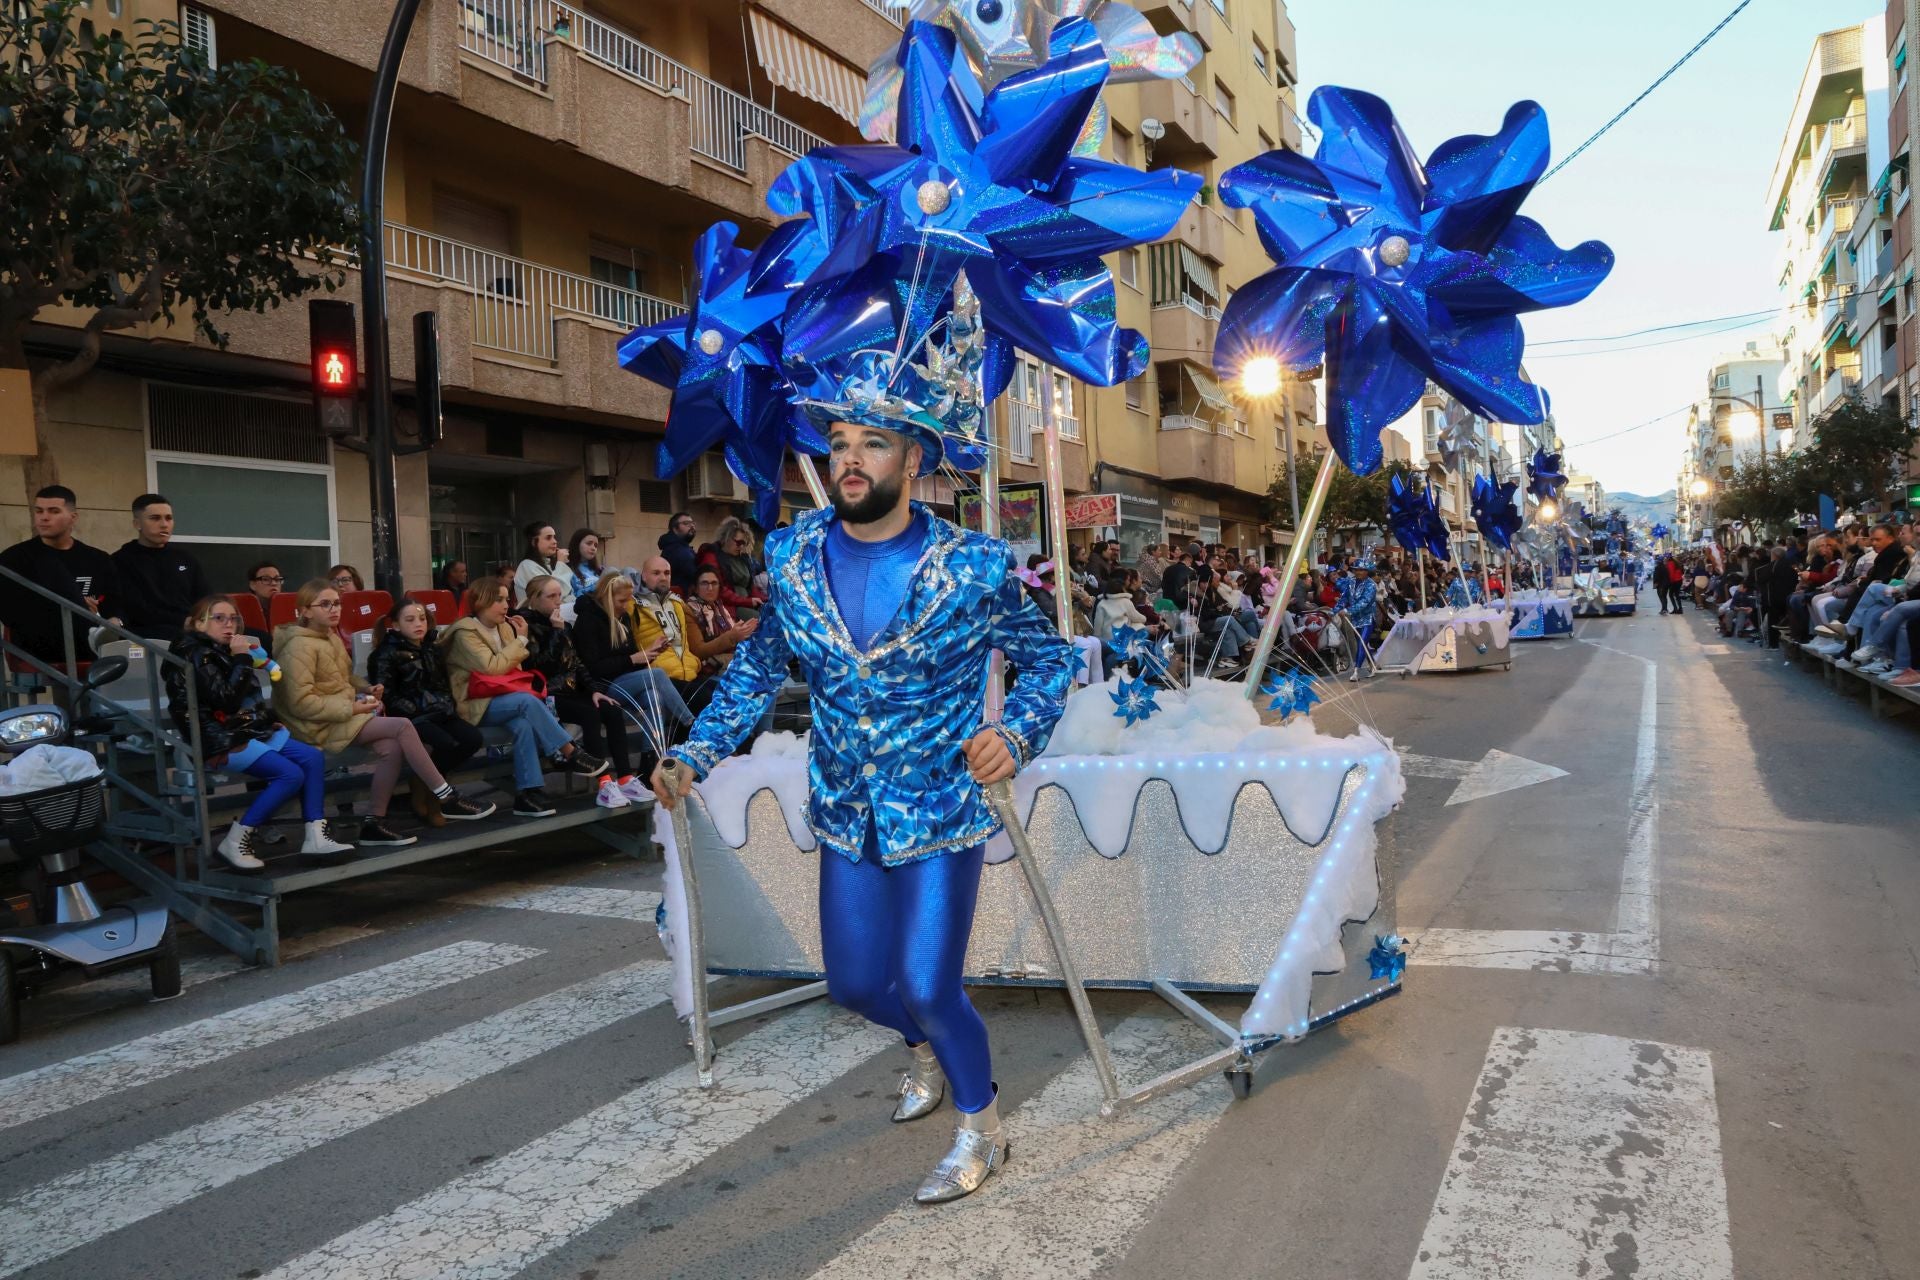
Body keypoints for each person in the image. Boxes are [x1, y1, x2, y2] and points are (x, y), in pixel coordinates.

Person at [652, 411, 1073, 1205]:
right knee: (850, 985)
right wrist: (697, 752)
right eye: (839, 445)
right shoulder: (794, 554)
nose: (850, 460)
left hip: (941, 808)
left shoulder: (974, 563)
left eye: (871, 444)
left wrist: (1014, 733)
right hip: (846, 807)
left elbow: (1049, 660)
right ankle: (923, 1050)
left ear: (912, 459)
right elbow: (756, 670)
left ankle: (982, 1124)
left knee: (925, 983)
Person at [274, 579, 495, 847]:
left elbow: (344, 679)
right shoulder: (298, 647)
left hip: (337, 715)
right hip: (313, 725)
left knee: (392, 747)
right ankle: (446, 795)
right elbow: (300, 704)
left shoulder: (328, 637)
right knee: (401, 726)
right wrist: (354, 706)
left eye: (337, 603)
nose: (334, 609)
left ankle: (373, 823)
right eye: (325, 604)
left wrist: (366, 687)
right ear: (305, 611)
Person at [164, 596, 356, 870]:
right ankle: (237, 838)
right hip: (218, 740)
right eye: (219, 618)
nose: (228, 624)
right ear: (198, 624)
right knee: (290, 775)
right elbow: (226, 700)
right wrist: (241, 657)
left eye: (232, 618)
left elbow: (247, 701)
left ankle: (315, 835)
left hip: (243, 732)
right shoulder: (196, 654)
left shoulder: (223, 649)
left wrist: (267, 721)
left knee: (312, 757)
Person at [440, 579, 607, 818]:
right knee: (527, 702)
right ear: (480, 602)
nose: (506, 605)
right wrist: (521, 640)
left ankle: (527, 793)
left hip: (504, 698)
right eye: (498, 600)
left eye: (507, 599)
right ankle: (570, 752)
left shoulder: (505, 628)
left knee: (523, 724)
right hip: (474, 703)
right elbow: (493, 667)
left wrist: (517, 640)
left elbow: (515, 671)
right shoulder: (465, 632)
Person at [518, 574, 650, 807]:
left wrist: (593, 691)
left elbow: (578, 663)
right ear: (534, 599)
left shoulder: (563, 625)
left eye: (559, 595)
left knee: (609, 707)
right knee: (590, 714)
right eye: (551, 596)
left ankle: (626, 778)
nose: (558, 602)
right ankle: (604, 783)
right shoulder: (526, 624)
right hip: (546, 694)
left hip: (571, 690)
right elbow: (539, 665)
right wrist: (557, 633)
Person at [366, 598, 483, 827]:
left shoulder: (432, 649)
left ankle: (422, 782)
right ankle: (434, 797)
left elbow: (443, 684)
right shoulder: (385, 654)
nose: (418, 624)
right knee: (446, 743)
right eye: (410, 620)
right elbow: (387, 695)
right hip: (409, 717)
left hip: (438, 711)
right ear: (396, 625)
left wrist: (447, 705)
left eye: (422, 619)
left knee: (472, 738)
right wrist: (418, 709)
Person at [0, 485, 124, 668]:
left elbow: (115, 601)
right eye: (39, 511)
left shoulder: (97, 559)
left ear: (73, 517)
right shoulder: (14, 559)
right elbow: (10, 612)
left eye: (54, 511)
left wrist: (114, 620)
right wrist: (74, 605)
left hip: (89, 642)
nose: (44, 517)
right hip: (39, 645)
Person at [572, 570, 697, 752]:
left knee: (655, 697)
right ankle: (690, 724)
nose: (626, 605)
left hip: (624, 682)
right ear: (607, 598)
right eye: (622, 601)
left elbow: (630, 660)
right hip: (602, 687)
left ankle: (651, 757)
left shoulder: (623, 617)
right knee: (659, 674)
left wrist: (650, 653)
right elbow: (593, 668)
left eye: (629, 599)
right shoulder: (588, 620)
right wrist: (633, 658)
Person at [631, 555, 751, 718]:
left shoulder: (677, 604)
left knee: (731, 695)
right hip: (664, 676)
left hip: (690, 673)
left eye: (667, 573)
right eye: (656, 573)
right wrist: (731, 637)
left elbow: (686, 646)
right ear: (643, 576)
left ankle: (756, 738)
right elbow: (699, 648)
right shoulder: (633, 605)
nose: (663, 578)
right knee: (712, 703)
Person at [110, 493, 209, 644]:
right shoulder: (122, 560)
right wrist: (183, 621)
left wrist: (205, 619)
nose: (164, 524)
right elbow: (137, 609)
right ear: (137, 524)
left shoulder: (185, 557)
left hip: (194, 626)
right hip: (150, 631)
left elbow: (205, 597)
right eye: (155, 518)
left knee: (252, 635)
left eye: (168, 518)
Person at [697, 517, 768, 617]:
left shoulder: (742, 558)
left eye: (744, 543)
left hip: (746, 604)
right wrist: (747, 601)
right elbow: (719, 591)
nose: (741, 547)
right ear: (726, 537)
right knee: (760, 621)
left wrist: (765, 600)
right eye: (738, 543)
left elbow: (750, 587)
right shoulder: (711, 557)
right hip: (727, 608)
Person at [684, 567, 746, 674]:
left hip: (730, 657)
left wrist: (744, 632)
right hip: (709, 666)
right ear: (695, 588)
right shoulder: (689, 610)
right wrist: (732, 636)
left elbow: (734, 633)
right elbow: (698, 651)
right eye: (704, 583)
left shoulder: (719, 607)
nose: (710, 588)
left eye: (714, 583)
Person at [513, 522, 572, 606]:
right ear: (534, 542)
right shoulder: (527, 566)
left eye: (554, 537)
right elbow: (554, 594)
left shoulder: (550, 563)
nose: (554, 541)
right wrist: (561, 563)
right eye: (548, 538)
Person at [243, 561, 284, 650]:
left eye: (277, 579)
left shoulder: (289, 608)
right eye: (266, 579)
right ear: (252, 585)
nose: (273, 583)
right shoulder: (244, 611)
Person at [658, 511, 699, 595]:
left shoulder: (681, 547)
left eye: (692, 523)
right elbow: (698, 576)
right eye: (686, 523)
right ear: (675, 528)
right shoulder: (677, 550)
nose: (692, 526)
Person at [566, 529, 605, 599]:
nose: (593, 548)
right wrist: (598, 586)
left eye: (595, 545)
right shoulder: (566, 569)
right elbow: (571, 597)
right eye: (589, 543)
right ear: (577, 544)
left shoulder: (599, 569)